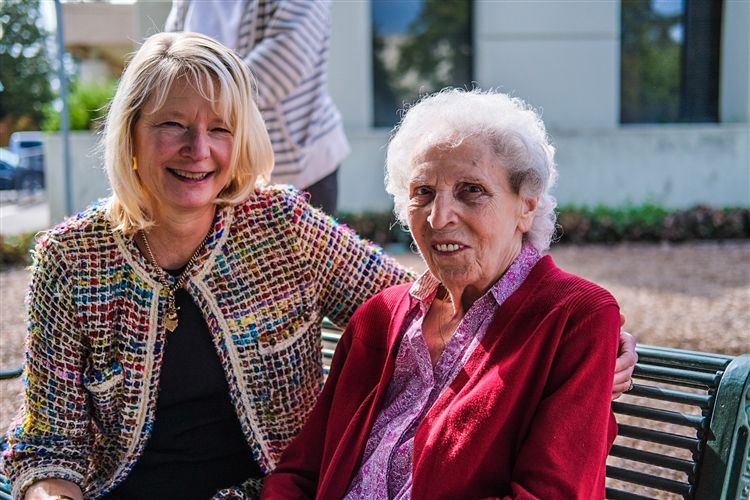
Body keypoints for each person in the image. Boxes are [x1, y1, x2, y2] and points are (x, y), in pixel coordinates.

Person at [2, 35, 635, 500]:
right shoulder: (72, 259)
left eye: (219, 128)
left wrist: (598, 342)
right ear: (132, 139)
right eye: (173, 126)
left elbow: (442, 296)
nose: (200, 150)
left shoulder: (280, 227)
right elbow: (52, 438)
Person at [262, 89, 623, 499]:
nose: (439, 216)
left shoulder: (576, 319)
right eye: (424, 192)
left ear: (526, 206)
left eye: (471, 190)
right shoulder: (380, 317)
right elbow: (299, 473)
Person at [165, 0, 349, 215]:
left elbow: (283, 61)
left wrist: (198, 105)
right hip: (219, 169)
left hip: (296, 165)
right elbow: (172, 54)